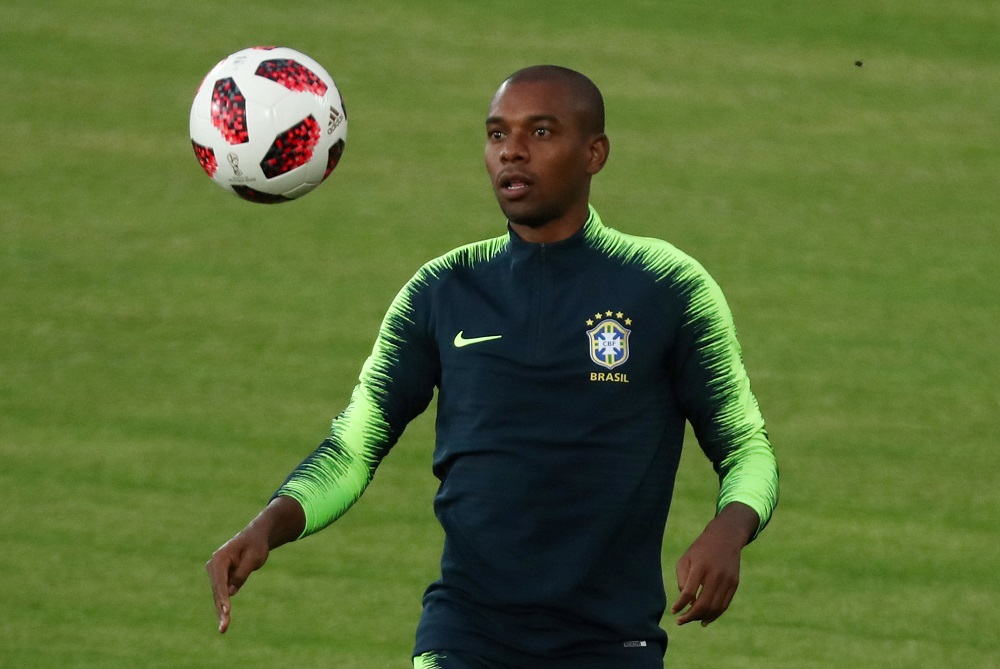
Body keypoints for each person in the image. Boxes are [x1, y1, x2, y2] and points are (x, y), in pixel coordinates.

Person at [206, 65, 779, 669]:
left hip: (611, 645)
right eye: (497, 134)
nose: (512, 152)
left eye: (540, 132)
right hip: (464, 636)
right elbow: (352, 449)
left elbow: (747, 449)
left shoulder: (667, 286)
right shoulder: (439, 291)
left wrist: (729, 529)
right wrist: (266, 526)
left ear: (595, 153)